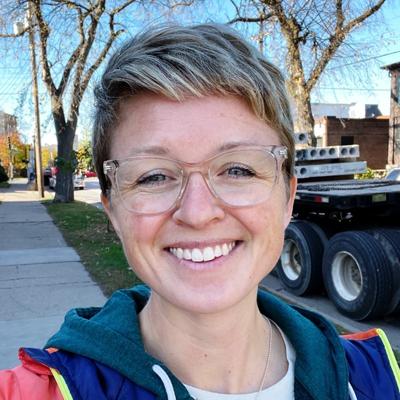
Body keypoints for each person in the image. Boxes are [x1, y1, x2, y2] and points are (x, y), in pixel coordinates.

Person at [1, 24, 399, 400]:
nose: (197, 213)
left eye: (238, 170)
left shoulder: (377, 379)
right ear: (113, 211)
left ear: (288, 197)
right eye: (154, 176)